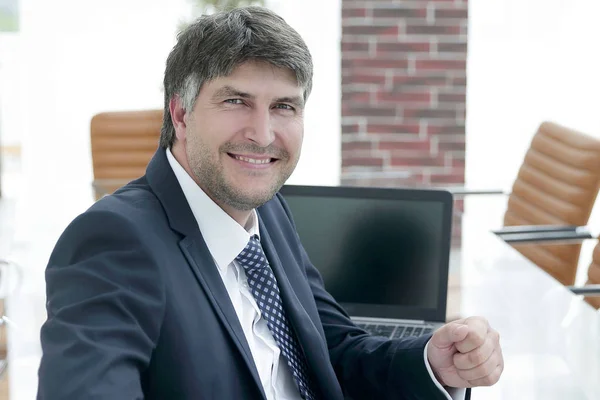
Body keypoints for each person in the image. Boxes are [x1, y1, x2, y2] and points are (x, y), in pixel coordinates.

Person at [37, 6, 503, 400]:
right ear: (180, 113)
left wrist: (434, 365)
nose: (263, 135)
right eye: (237, 101)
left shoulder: (268, 209)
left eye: (284, 106)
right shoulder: (112, 242)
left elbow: (330, 349)